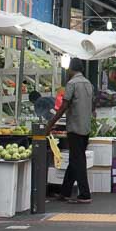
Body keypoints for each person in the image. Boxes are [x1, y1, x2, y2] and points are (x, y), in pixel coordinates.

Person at [48, 62, 94, 204]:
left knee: (78, 160)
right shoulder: (88, 83)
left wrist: (51, 123)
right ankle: (65, 192)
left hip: (75, 127)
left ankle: (85, 194)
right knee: (75, 159)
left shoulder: (72, 83)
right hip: (85, 126)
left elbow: (64, 105)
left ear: (71, 69)